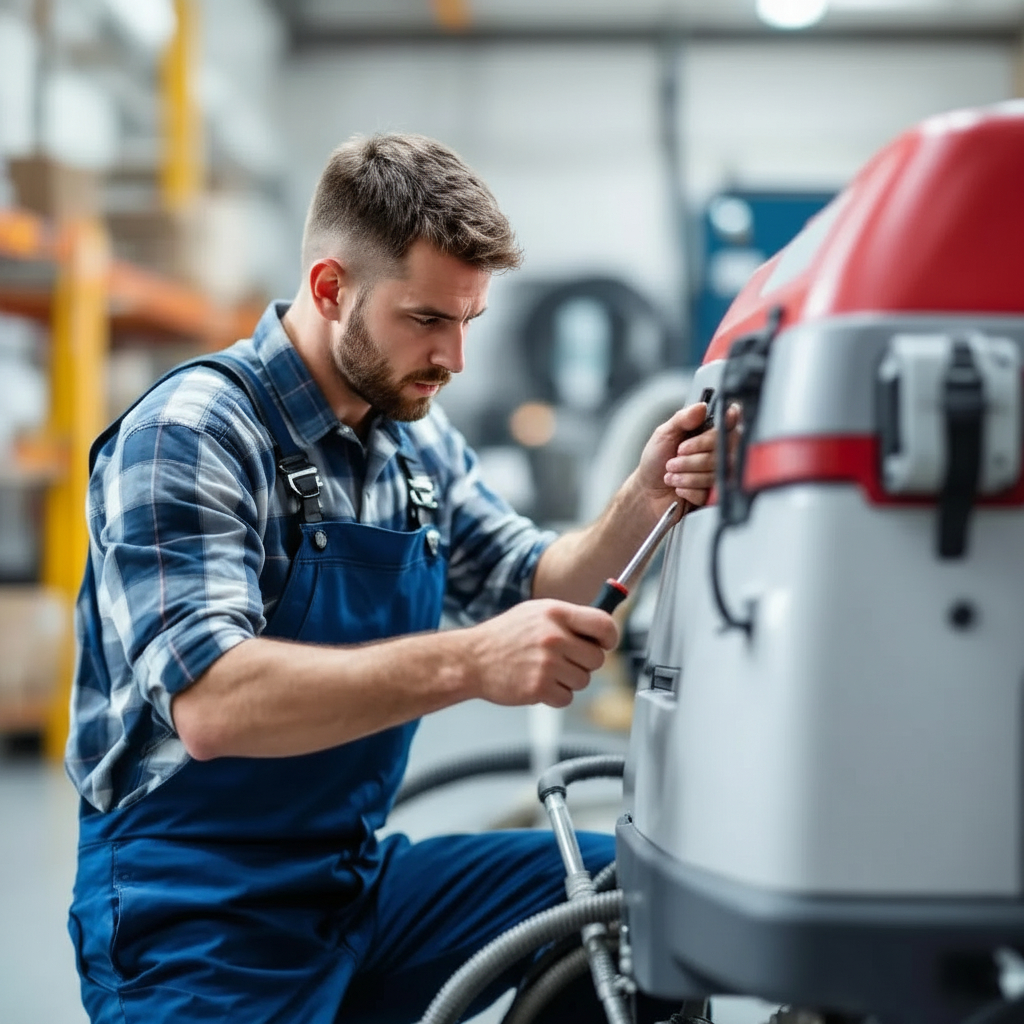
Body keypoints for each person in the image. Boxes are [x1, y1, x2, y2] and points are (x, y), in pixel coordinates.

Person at [65, 132, 722, 1024]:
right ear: (332, 288)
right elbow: (213, 704)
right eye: (426, 320)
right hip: (196, 912)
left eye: (467, 322)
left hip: (348, 881)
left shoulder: (413, 441)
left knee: (625, 899)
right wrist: (466, 663)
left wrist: (643, 498)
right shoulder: (193, 433)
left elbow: (539, 583)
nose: (455, 357)